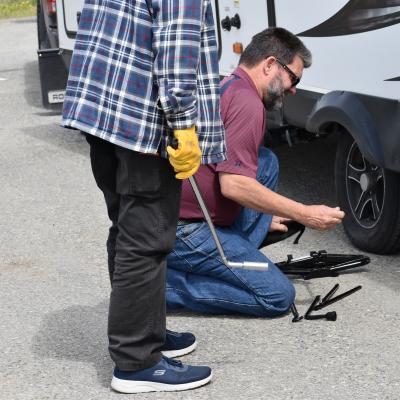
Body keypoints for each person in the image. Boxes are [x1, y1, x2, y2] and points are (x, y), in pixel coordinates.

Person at [61, 0, 225, 394]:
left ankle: (146, 330)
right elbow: (175, 47)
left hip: (104, 110)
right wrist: (183, 124)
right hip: (142, 121)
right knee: (146, 237)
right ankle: (136, 361)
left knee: (127, 228)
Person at [165, 27, 345, 316]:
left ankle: (234, 259)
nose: (294, 88)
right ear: (270, 64)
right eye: (293, 78)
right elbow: (234, 185)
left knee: (266, 161)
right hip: (184, 232)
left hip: (182, 218)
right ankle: (164, 288)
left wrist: (263, 215)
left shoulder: (229, 84)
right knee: (277, 296)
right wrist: (305, 213)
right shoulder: (249, 104)